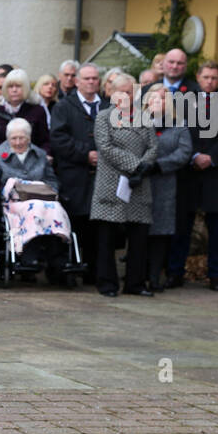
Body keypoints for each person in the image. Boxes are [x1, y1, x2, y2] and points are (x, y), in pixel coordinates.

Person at [167, 59, 218, 290]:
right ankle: (175, 272)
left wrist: (211, 157)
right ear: (198, 78)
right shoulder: (182, 101)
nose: (209, 82)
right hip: (187, 171)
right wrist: (192, 155)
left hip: (215, 173)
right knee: (182, 226)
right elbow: (177, 131)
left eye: (214, 78)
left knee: (216, 227)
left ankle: (216, 275)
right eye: (206, 77)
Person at [90, 73, 158, 298]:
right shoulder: (103, 117)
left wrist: (144, 168)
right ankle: (107, 283)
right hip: (112, 184)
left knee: (138, 237)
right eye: (122, 91)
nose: (127, 95)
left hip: (139, 185)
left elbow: (153, 147)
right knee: (107, 238)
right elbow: (105, 147)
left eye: (130, 91)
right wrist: (137, 165)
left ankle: (135, 283)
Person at [0, 118, 71, 283]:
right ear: (8, 139)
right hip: (15, 202)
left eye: (21, 138)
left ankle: (58, 257)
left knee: (56, 208)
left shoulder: (39, 154)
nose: (17, 142)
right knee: (35, 209)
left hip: (42, 198)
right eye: (13, 138)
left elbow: (51, 180)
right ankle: (29, 255)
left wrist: (52, 192)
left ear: (29, 138)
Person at [49, 63, 106, 282]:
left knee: (97, 228)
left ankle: (94, 272)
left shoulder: (108, 106)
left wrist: (103, 155)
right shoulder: (64, 107)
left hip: (102, 177)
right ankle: (66, 271)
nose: (91, 82)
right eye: (87, 79)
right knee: (72, 224)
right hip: (74, 176)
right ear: (77, 82)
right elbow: (59, 138)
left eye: (95, 78)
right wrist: (86, 154)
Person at [141, 84, 194, 291]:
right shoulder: (137, 123)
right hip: (140, 183)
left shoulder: (178, 125)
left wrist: (160, 165)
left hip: (165, 183)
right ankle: (137, 275)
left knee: (160, 233)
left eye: (162, 98)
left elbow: (184, 152)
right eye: (154, 98)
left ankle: (155, 277)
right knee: (140, 232)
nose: (158, 101)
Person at [0, 68, 49, 163]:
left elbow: (45, 141)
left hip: (30, 162)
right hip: (0, 161)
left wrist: (44, 156)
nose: (14, 90)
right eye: (10, 86)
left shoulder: (37, 111)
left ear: (26, 88)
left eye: (18, 86)